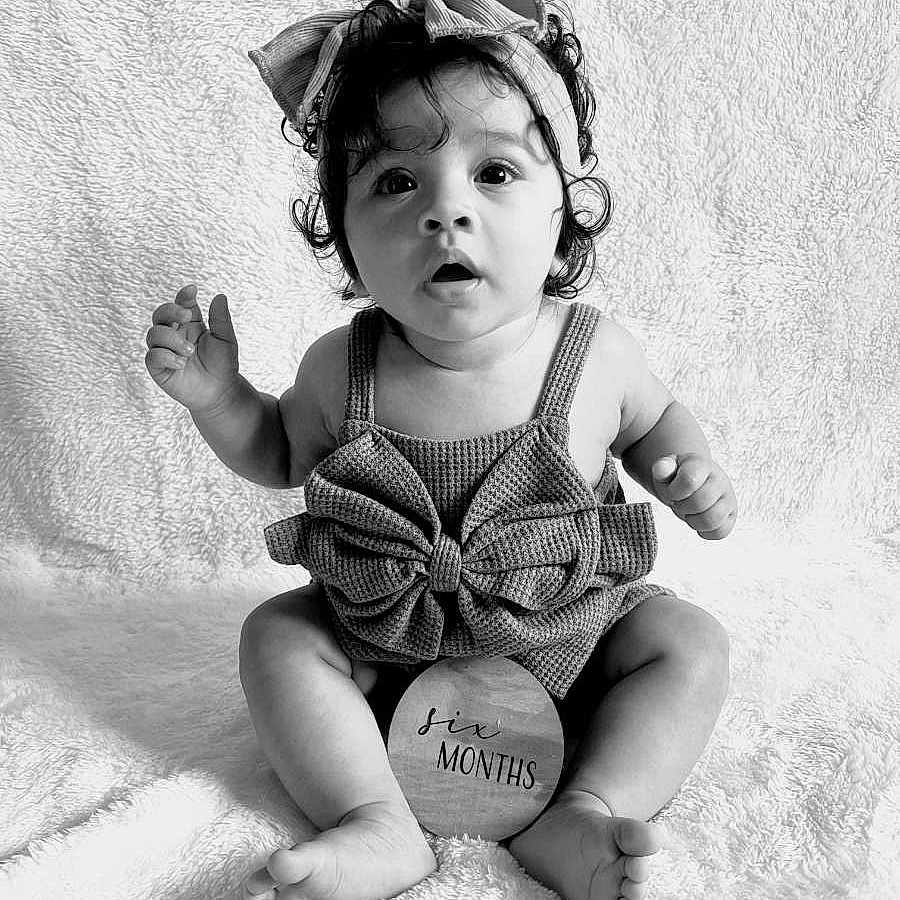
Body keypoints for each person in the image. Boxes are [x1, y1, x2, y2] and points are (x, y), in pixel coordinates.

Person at [145, 1, 736, 898]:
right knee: (276, 635)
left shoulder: (595, 354)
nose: (445, 210)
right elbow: (276, 453)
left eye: (494, 170)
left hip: (568, 636)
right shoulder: (342, 366)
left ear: (563, 210)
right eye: (394, 184)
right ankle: (374, 818)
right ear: (343, 236)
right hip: (383, 646)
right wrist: (220, 397)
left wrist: (683, 468)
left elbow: (656, 424)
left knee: (687, 643)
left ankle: (588, 805)